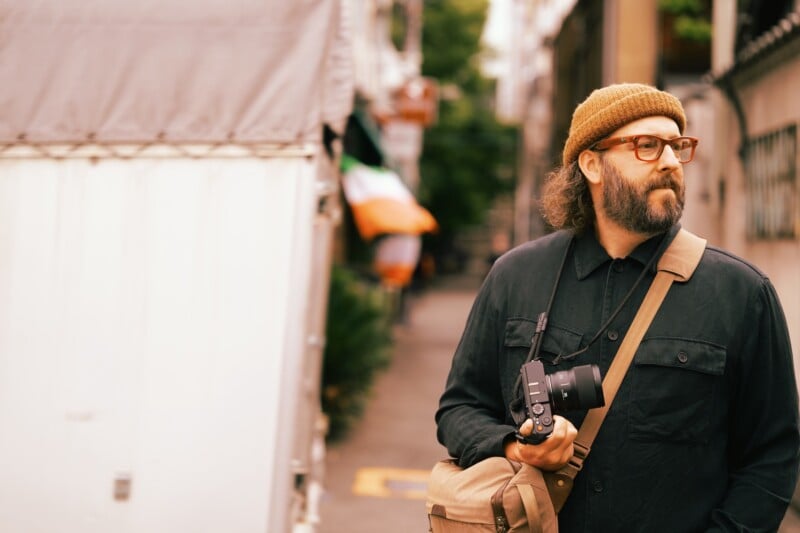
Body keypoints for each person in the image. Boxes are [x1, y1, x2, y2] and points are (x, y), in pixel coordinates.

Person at [435, 83, 800, 532]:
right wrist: (516, 447)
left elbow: (772, 455)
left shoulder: (742, 293)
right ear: (592, 163)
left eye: (677, 146)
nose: (669, 161)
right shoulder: (516, 277)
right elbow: (459, 409)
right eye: (647, 146)